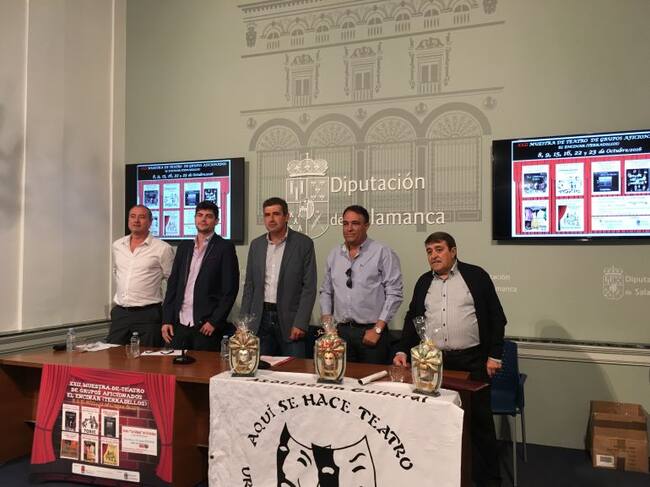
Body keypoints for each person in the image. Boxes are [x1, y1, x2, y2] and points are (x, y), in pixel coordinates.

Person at [394, 231, 506, 487]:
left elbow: (497, 317)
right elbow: (413, 318)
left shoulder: (476, 276)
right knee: (436, 422)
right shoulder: (424, 282)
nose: (434, 255)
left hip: (473, 361)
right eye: (429, 251)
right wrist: (401, 350)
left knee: (479, 424)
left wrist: (494, 355)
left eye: (439, 249)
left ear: (453, 251)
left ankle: (488, 481)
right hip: (434, 363)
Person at [320, 205, 403, 364]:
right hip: (340, 333)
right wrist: (328, 327)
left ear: (366, 225)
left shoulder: (382, 252)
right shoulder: (334, 254)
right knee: (341, 377)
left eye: (355, 223)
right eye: (345, 223)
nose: (349, 228)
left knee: (373, 379)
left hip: (371, 333)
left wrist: (377, 329)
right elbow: (326, 292)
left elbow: (394, 293)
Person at [241, 197, 316, 357]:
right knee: (260, 368)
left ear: (286, 216)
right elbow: (249, 286)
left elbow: (309, 288)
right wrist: (243, 322)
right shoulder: (256, 245)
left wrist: (301, 323)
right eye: (267, 215)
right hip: (260, 320)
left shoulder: (303, 244)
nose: (271, 219)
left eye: (276, 214)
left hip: (290, 321)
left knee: (294, 369)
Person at [161, 201, 239, 351]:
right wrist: (167, 319)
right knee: (172, 363)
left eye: (209, 216)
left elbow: (230, 290)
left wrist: (214, 321)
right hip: (179, 323)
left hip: (206, 326)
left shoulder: (224, 247)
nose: (203, 219)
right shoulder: (184, 247)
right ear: (195, 218)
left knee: (204, 365)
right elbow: (173, 286)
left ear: (216, 221)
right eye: (200, 215)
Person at [108, 205, 174, 347]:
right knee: (113, 355)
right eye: (132, 216)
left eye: (142, 217)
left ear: (150, 222)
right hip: (121, 313)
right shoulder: (117, 245)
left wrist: (169, 315)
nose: (136, 221)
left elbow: (173, 283)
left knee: (148, 357)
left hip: (148, 314)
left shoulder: (163, 248)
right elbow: (117, 272)